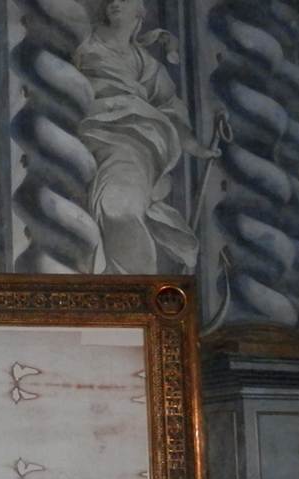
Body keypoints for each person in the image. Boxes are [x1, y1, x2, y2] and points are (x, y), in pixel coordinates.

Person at [75, 0, 219, 274]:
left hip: (137, 147)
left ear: (140, 11)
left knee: (119, 206)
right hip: (94, 136)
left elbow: (170, 109)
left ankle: (131, 283)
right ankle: (128, 282)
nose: (115, 3)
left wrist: (197, 147)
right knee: (112, 207)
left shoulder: (148, 64)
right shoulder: (86, 39)